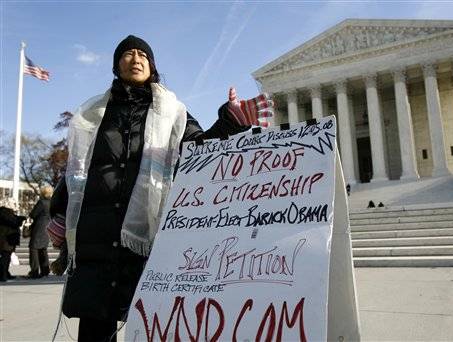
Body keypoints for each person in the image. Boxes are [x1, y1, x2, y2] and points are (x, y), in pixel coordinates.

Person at [51, 35, 273, 341]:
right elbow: (77, 167)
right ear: (117, 65)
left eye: (143, 54)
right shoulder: (92, 114)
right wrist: (59, 212)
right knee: (95, 326)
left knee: (155, 324)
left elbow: (198, 151)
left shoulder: (173, 111)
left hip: (148, 232)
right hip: (97, 234)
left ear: (152, 65)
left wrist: (229, 122)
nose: (136, 58)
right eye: (128, 53)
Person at [27, 185, 53, 278]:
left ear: (43, 192)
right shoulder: (52, 202)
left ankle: (34, 272)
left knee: (33, 248)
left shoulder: (41, 202)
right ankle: (45, 270)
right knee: (43, 249)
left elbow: (33, 214)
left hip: (39, 227)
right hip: (48, 227)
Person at [0, 199, 25, 282]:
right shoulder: (4, 212)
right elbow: (13, 222)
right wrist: (20, 219)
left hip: (8, 237)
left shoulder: (6, 212)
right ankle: (3, 274)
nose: (15, 205)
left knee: (7, 256)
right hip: (6, 237)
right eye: (13, 203)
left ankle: (5, 273)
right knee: (5, 256)